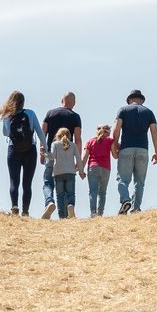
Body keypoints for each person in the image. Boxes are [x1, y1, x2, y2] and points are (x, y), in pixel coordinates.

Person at [111, 89, 157, 214]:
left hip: (126, 148)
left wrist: (115, 145)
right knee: (140, 181)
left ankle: (125, 200)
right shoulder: (148, 112)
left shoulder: (123, 110)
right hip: (143, 149)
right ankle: (135, 208)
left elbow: (116, 129)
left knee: (123, 179)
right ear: (141, 100)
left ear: (129, 100)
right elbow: (154, 132)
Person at [0, 90, 44, 216]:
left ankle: (14, 207)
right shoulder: (30, 113)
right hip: (30, 150)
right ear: (23, 102)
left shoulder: (7, 115)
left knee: (14, 181)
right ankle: (26, 212)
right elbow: (39, 132)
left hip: (13, 150)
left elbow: (6, 133)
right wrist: (46, 148)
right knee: (27, 184)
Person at [40, 91, 82, 219]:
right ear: (73, 102)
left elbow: (43, 133)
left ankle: (49, 202)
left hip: (51, 153)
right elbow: (78, 138)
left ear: (61, 100)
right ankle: (64, 215)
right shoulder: (75, 116)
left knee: (48, 182)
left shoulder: (50, 113)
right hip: (68, 157)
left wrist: (42, 153)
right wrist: (77, 158)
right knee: (64, 188)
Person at [48, 126, 83, 219]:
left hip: (58, 173)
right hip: (70, 172)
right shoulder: (73, 145)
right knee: (70, 194)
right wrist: (81, 171)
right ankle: (70, 206)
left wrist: (44, 153)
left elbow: (52, 157)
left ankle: (62, 216)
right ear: (70, 136)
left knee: (60, 196)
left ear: (58, 135)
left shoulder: (55, 144)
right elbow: (79, 159)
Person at [83, 123, 114, 217]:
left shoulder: (90, 141)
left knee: (93, 191)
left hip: (93, 167)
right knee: (102, 192)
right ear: (108, 132)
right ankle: (100, 214)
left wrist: (80, 169)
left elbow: (84, 157)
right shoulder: (110, 141)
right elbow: (115, 156)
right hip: (106, 168)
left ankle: (93, 213)